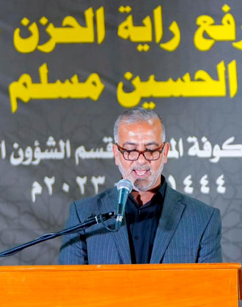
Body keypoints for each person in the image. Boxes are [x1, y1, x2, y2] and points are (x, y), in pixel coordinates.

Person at [59, 108, 222, 264]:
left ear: (165, 152)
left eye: (151, 150)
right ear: (116, 154)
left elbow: (211, 283)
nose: (141, 160)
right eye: (130, 150)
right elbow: (69, 282)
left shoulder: (203, 219)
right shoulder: (83, 215)